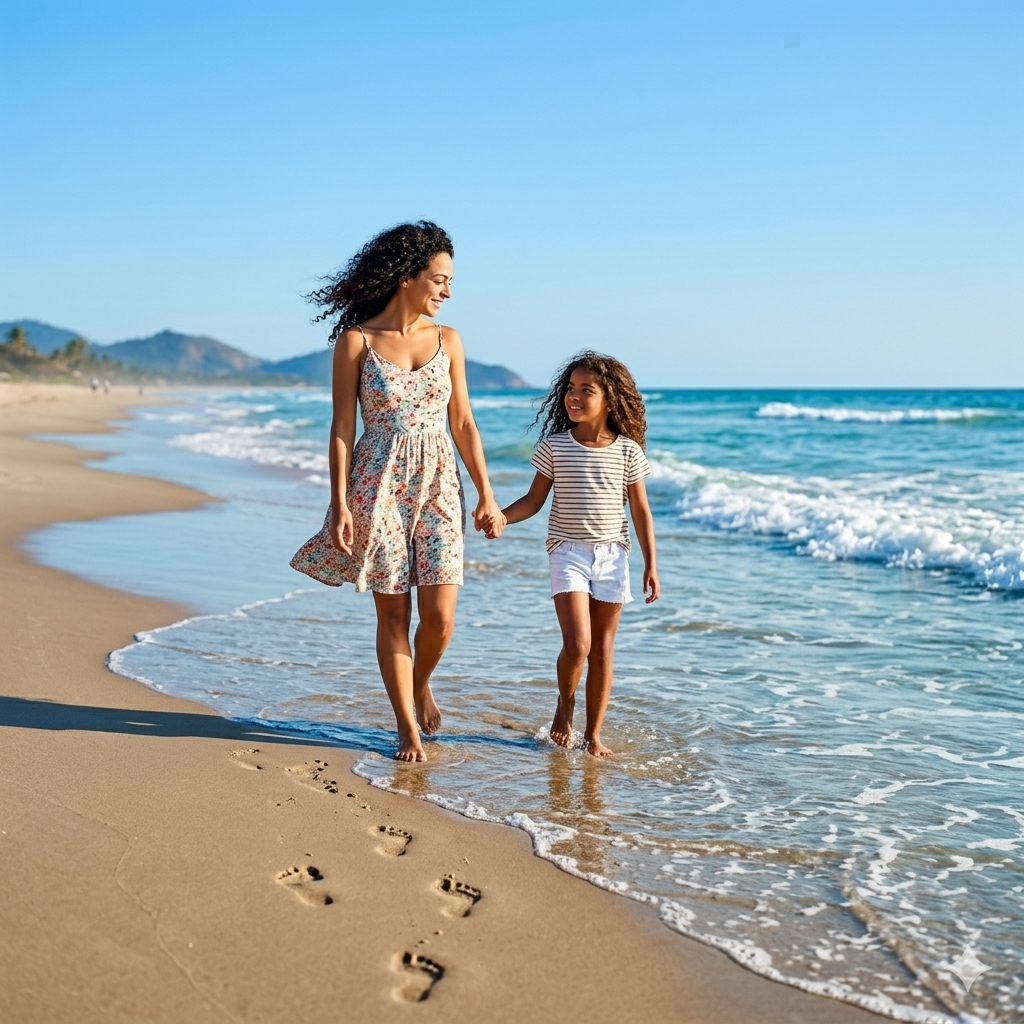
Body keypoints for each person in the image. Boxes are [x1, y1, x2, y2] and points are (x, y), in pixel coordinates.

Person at [290, 222, 505, 762]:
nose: (447, 291)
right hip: (377, 485)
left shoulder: (449, 341)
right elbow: (342, 429)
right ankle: (406, 728)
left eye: (449, 281)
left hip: (438, 486)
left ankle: (419, 681)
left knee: (441, 619)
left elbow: (464, 424)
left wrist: (486, 493)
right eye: (439, 279)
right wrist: (337, 502)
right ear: (407, 277)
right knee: (394, 617)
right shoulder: (357, 342)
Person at [489, 352, 658, 756]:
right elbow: (533, 501)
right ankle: (564, 707)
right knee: (578, 642)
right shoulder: (556, 447)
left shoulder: (628, 452)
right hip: (568, 552)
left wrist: (651, 562)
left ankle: (594, 734)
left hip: (613, 554)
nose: (574, 397)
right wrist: (501, 518)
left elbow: (640, 511)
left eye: (587, 390)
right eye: (570, 389)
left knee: (602, 646)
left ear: (610, 400)